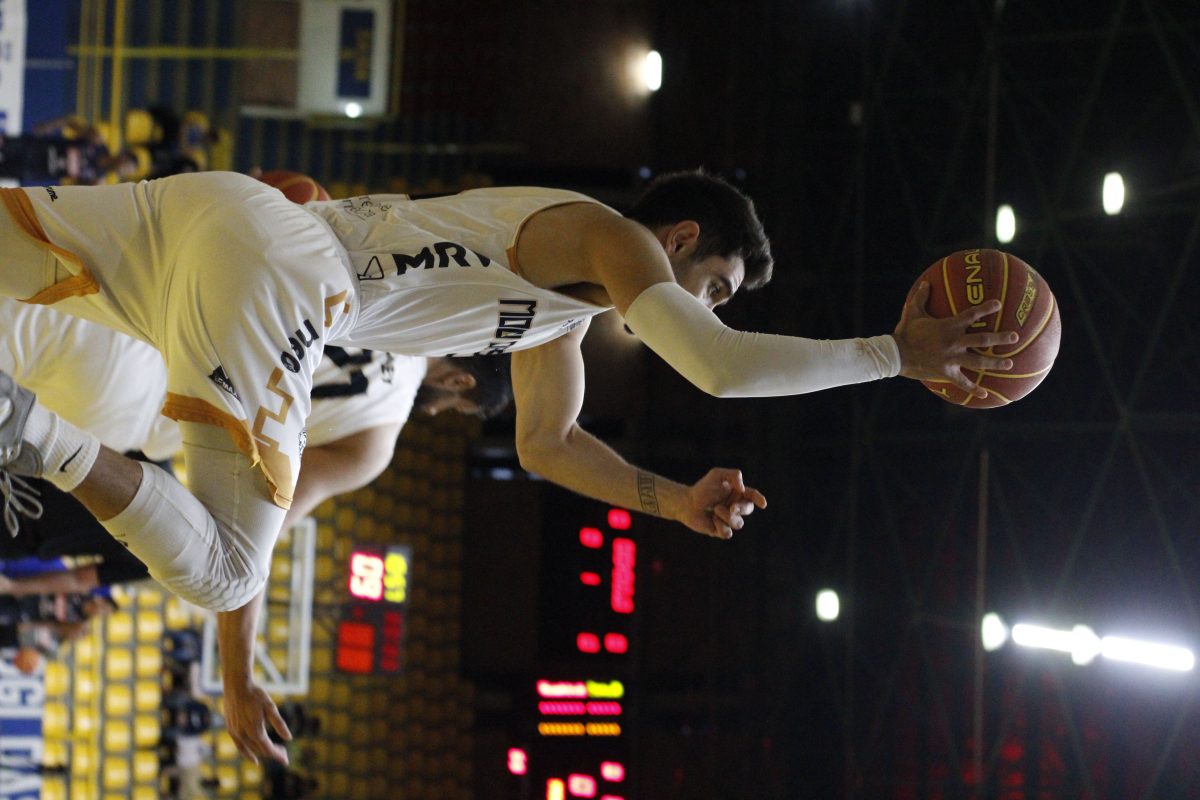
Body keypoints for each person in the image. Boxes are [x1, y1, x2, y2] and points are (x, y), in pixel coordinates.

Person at [0, 169, 1014, 763]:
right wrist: (893, 355)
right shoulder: (611, 237)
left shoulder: (558, 311)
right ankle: (34, 432)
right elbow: (718, 364)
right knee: (227, 569)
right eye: (714, 285)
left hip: (223, 212)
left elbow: (546, 445)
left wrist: (671, 501)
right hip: (286, 275)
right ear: (680, 238)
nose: (706, 307)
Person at [0, 298, 510, 596]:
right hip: (131, 410)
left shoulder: (386, 286)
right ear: (459, 381)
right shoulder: (375, 441)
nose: (435, 412)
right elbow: (253, 538)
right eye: (454, 407)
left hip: (126, 317)